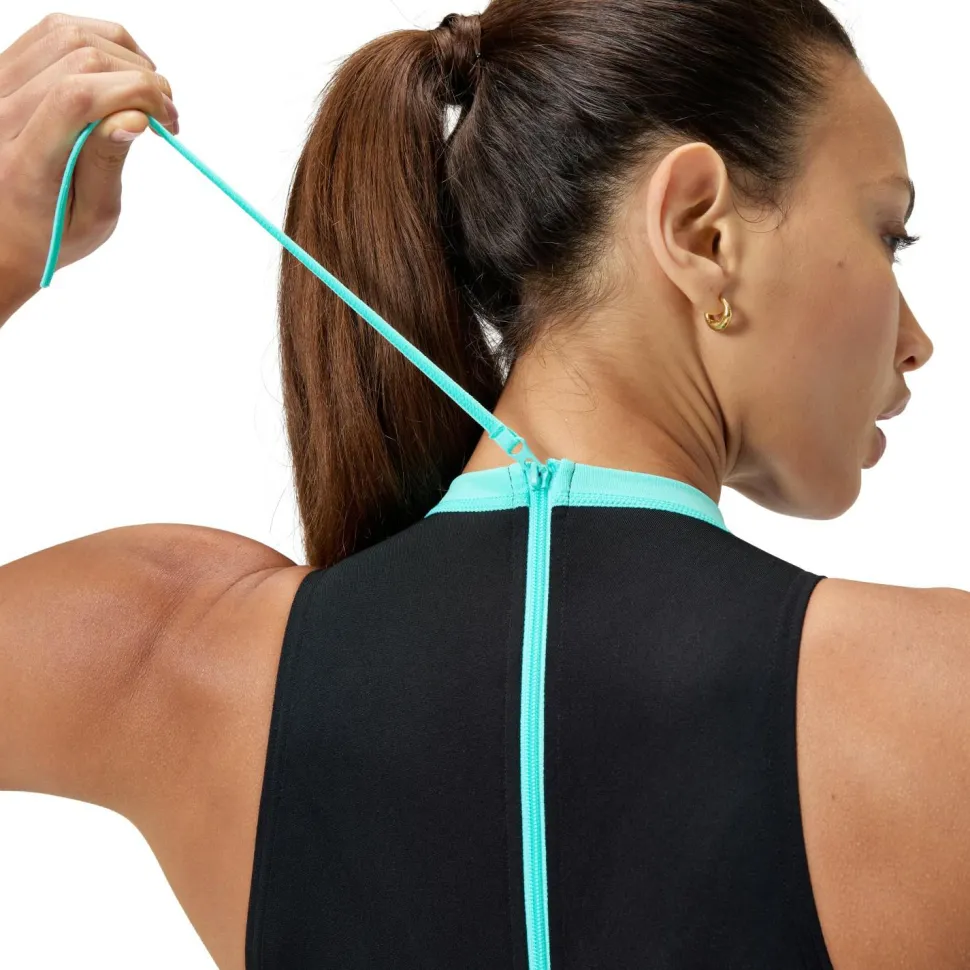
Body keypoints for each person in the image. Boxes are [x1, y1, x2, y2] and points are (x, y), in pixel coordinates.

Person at [0, 3, 959, 970]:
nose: (916, 340)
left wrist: (2, 250)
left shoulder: (180, 656)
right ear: (699, 231)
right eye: (888, 233)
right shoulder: (936, 695)